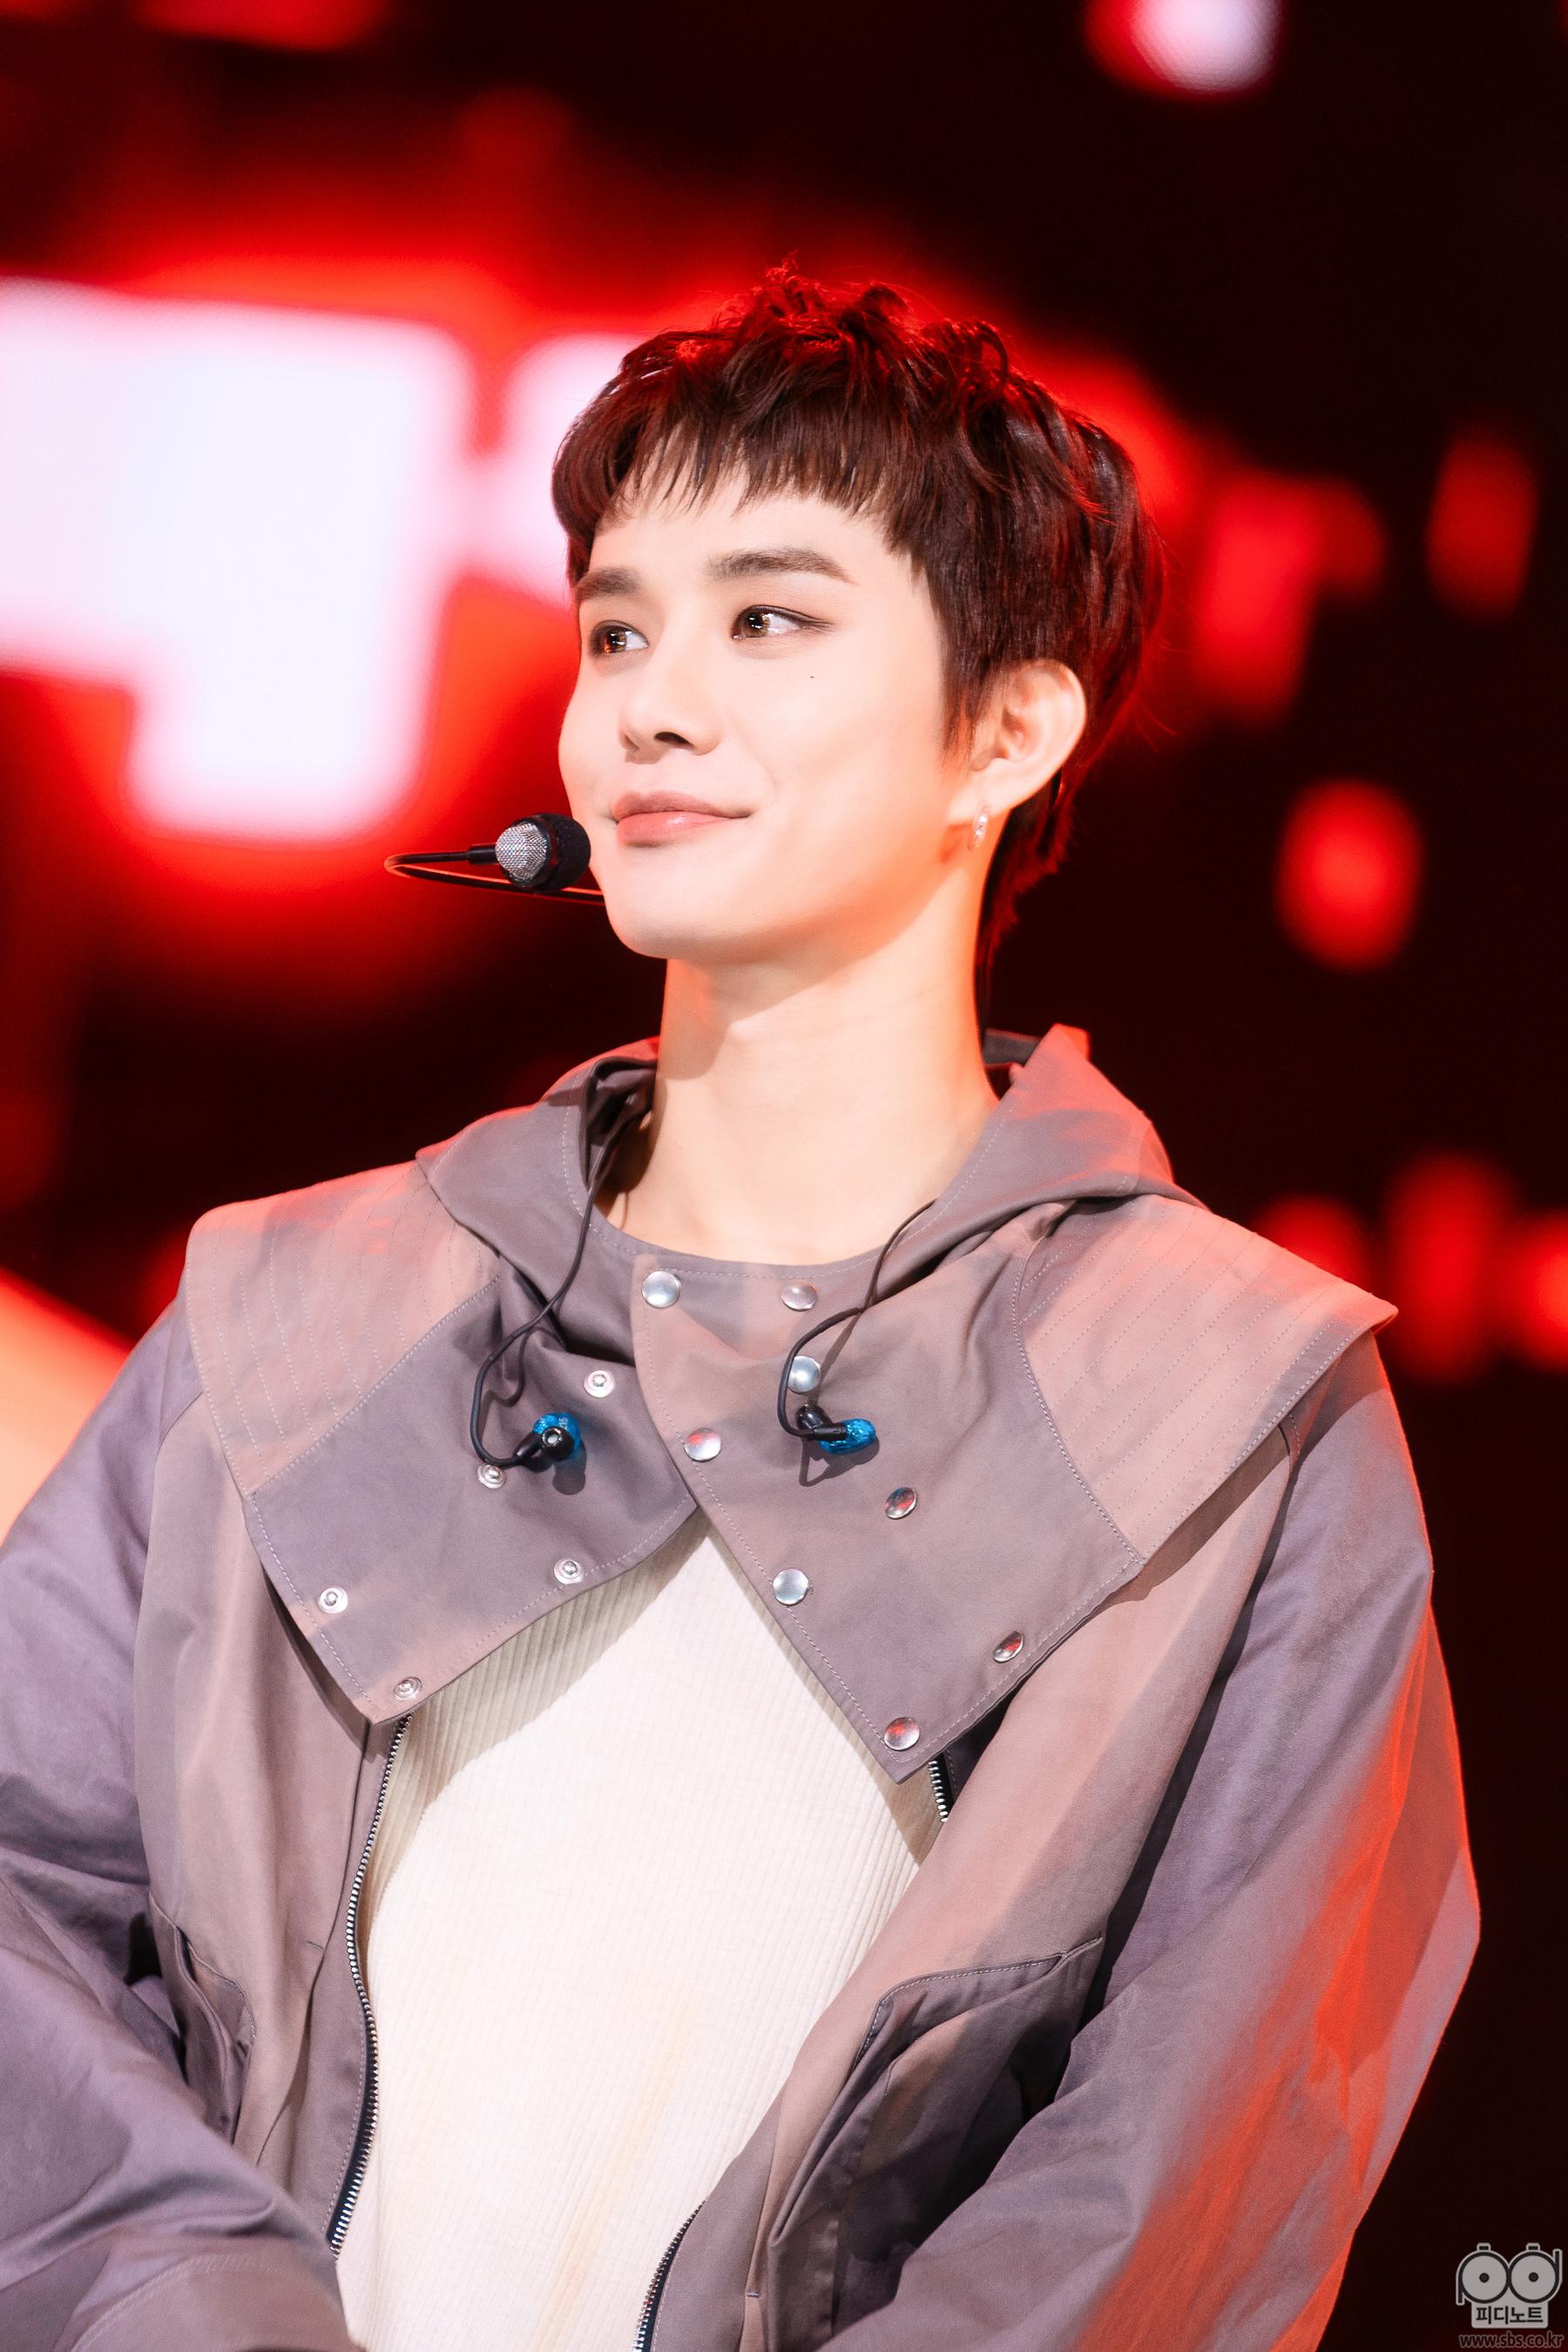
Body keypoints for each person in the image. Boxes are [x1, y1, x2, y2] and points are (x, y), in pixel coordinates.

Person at [0, 271, 1476, 2352]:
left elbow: (1192, 2165)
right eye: (618, 628)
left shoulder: (1232, 1412)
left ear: (1012, 727)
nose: (647, 706)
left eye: (769, 618)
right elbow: (23, 1889)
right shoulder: (300, 1306)